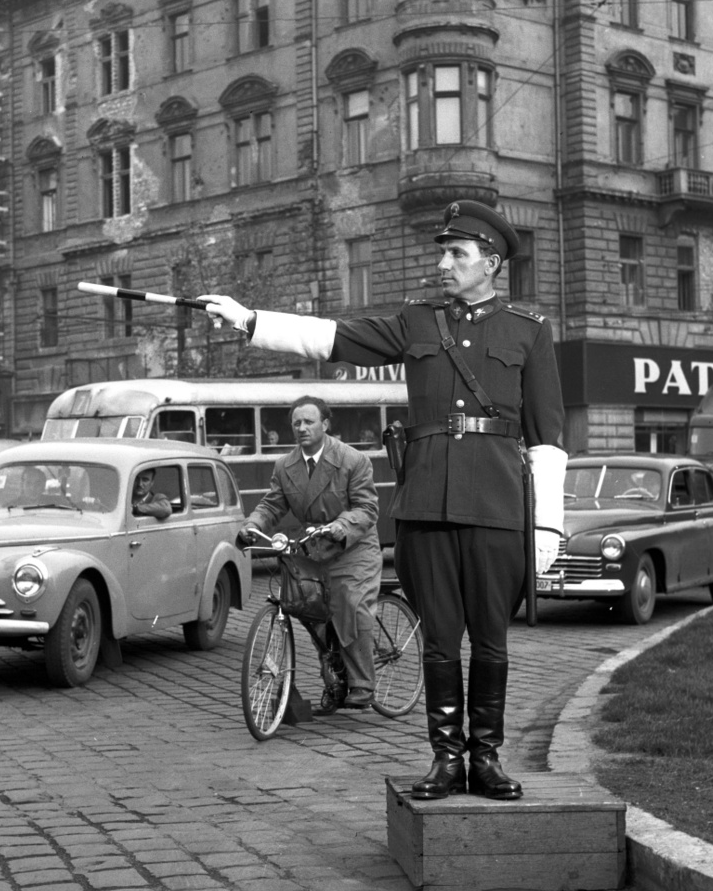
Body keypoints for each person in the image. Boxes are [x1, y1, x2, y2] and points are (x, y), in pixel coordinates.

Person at [202, 200, 566, 801]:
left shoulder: (529, 331)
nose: (443, 264)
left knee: (493, 644)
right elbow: (335, 339)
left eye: (457, 254)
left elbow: (548, 437)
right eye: (442, 253)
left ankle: (488, 759)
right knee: (442, 642)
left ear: (491, 264)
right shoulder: (419, 321)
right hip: (425, 511)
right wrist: (249, 321)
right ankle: (447, 761)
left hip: (500, 512)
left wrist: (547, 527)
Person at [237, 395, 383, 713]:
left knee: (349, 601)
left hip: (353, 549)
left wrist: (342, 525)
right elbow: (272, 504)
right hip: (315, 548)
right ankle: (334, 680)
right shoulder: (286, 466)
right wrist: (253, 523)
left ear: (325, 424)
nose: (302, 428)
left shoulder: (352, 460)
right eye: (297, 423)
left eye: (309, 422)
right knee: (310, 609)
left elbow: (367, 508)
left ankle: (362, 683)